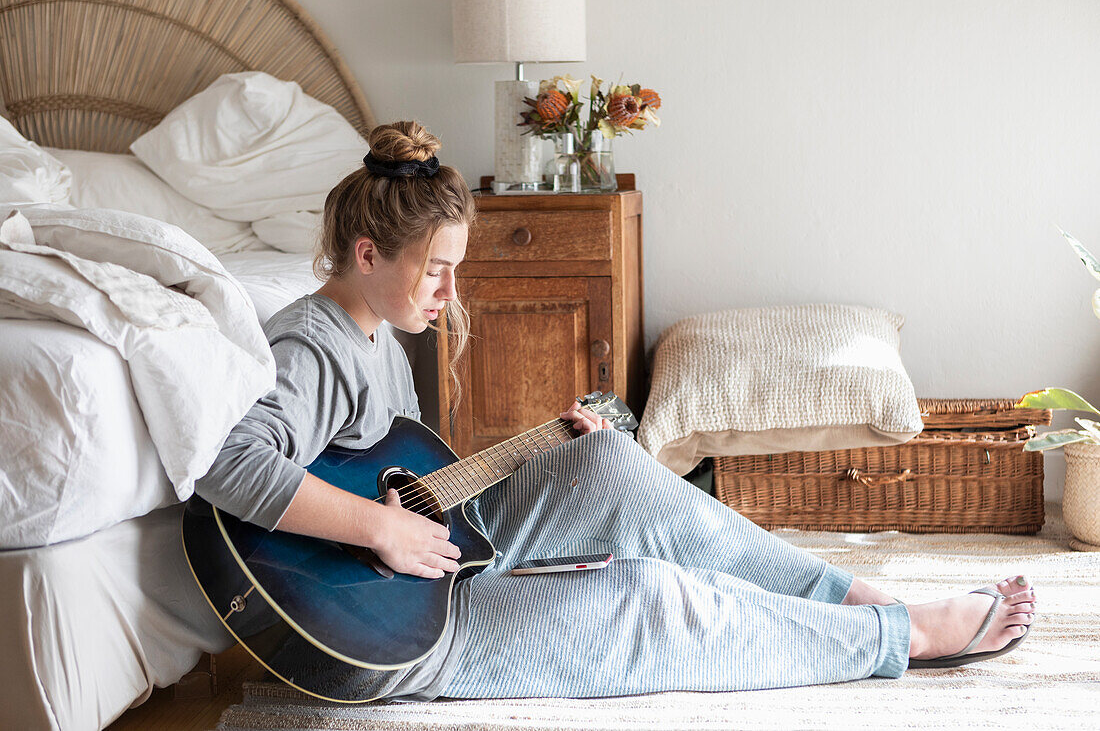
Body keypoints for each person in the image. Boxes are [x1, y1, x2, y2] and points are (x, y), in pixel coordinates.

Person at [195, 120, 1037, 701]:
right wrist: (379, 530)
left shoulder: (382, 328)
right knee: (652, 600)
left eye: (456, 267)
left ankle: (852, 597)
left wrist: (547, 450)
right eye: (436, 270)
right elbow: (230, 464)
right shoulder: (312, 344)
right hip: (378, 632)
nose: (452, 292)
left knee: (605, 461)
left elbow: (417, 478)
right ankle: (905, 639)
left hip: (433, 561)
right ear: (367, 252)